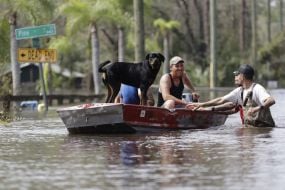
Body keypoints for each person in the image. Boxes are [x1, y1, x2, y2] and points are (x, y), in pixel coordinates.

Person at [188, 64, 275, 127]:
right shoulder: (239, 91)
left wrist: (257, 108)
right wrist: (202, 105)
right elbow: (221, 100)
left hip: (264, 130)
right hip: (251, 129)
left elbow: (271, 100)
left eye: (238, 75)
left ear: (242, 77)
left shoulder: (257, 88)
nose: (236, 77)